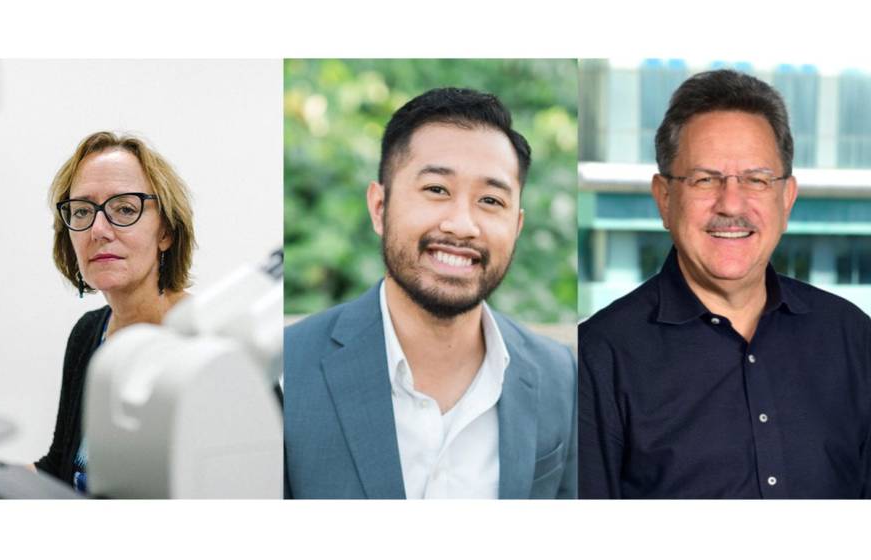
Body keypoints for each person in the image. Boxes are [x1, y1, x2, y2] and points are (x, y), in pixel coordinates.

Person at [579, 69, 871, 498]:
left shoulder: (852, 335)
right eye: (704, 179)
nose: (731, 203)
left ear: (786, 198)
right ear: (664, 197)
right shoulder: (599, 357)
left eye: (756, 179)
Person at [284, 87, 577, 499]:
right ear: (379, 208)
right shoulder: (287, 369)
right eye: (437, 190)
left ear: (517, 226)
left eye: (491, 200)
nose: (462, 225)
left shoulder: (560, 377)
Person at [35, 131, 196, 492]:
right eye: (82, 211)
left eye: (124, 208)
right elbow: (57, 467)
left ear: (166, 231)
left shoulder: (211, 340)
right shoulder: (88, 333)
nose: (99, 229)